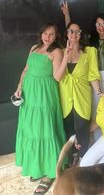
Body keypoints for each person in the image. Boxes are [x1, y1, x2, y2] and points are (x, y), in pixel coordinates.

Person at [14, 23, 66, 195]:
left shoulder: (56, 52)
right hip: (29, 96)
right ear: (41, 33)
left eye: (52, 34)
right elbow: (26, 69)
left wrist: (65, 56)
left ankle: (50, 172)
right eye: (45, 33)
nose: (48, 37)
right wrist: (19, 86)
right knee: (32, 131)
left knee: (45, 130)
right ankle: (37, 167)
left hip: (45, 96)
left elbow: (57, 77)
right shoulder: (34, 48)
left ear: (56, 37)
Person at [61, 2, 104, 140]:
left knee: (101, 114)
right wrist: (67, 15)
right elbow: (71, 33)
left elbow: (73, 33)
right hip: (74, 91)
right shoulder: (64, 51)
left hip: (101, 82)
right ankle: (79, 150)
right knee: (75, 123)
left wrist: (101, 90)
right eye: (98, 24)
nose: (101, 27)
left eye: (103, 24)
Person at [57, 21, 101, 164]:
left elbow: (93, 75)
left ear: (81, 34)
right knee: (69, 127)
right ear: (67, 34)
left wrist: (99, 92)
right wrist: (66, 56)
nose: (74, 34)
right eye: (71, 31)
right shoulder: (60, 52)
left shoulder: (89, 52)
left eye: (77, 31)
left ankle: (83, 159)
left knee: (82, 127)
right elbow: (58, 77)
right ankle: (72, 157)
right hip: (65, 97)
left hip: (82, 96)